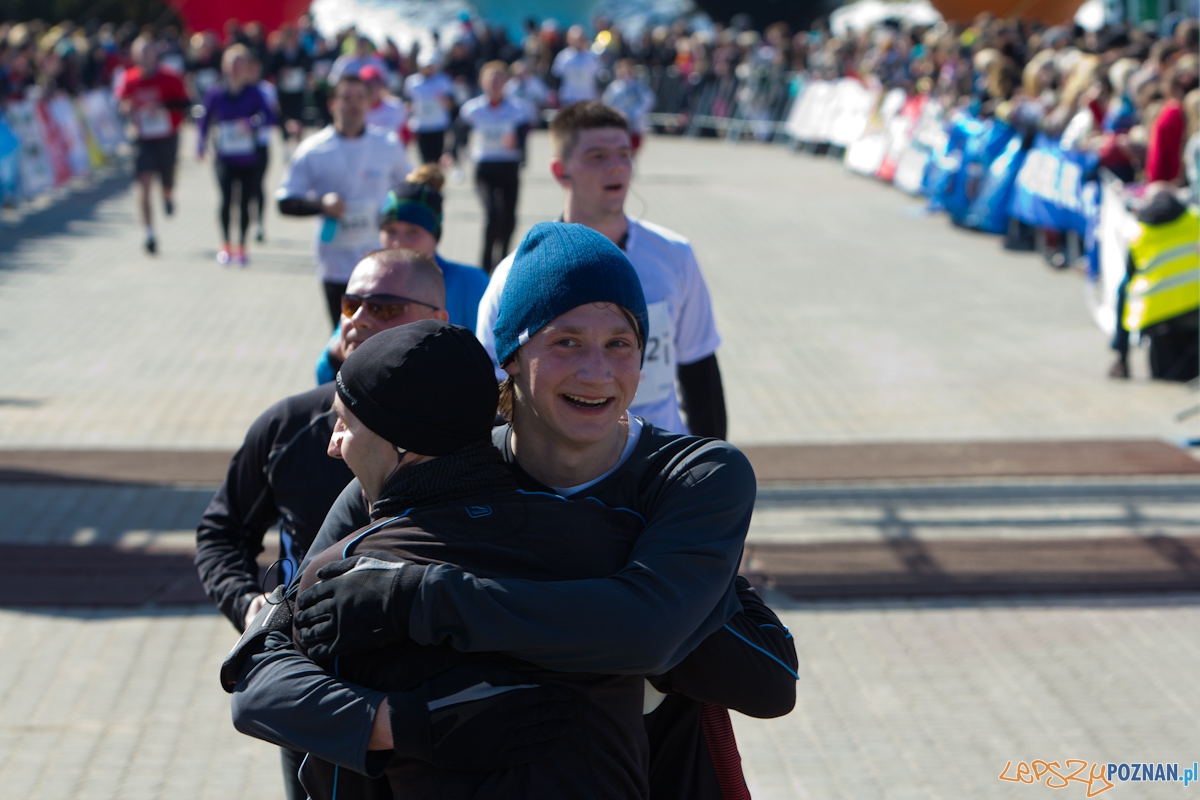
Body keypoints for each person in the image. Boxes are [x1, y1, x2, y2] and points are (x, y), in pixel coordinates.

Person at [229, 223, 798, 800]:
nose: (596, 371)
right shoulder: (430, 469)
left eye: (619, 343)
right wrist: (405, 724)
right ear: (511, 356)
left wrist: (420, 600)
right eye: (566, 342)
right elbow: (260, 669)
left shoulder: (692, 478)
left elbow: (661, 637)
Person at [287, 318, 652, 799]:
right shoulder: (615, 538)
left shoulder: (350, 582)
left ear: (404, 444)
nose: (334, 445)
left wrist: (401, 723)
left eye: (345, 424)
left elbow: (335, 778)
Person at [196, 248, 448, 800]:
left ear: (437, 321)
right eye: (350, 304)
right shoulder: (288, 426)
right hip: (316, 699)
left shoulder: (472, 436)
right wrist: (250, 605)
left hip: (429, 711)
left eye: (384, 307)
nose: (358, 320)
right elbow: (221, 533)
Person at [477, 101, 728, 439]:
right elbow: (492, 391)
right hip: (561, 463)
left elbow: (700, 373)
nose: (616, 167)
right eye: (597, 156)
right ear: (560, 171)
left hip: (659, 457)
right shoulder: (515, 274)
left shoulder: (674, 255)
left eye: (624, 154)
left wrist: (714, 459)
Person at [314, 165, 489, 384]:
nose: (398, 242)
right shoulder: (371, 282)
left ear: (435, 234)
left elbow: (492, 362)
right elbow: (323, 373)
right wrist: (345, 349)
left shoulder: (470, 283)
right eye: (390, 231)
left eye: (412, 232)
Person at [276, 73, 413, 327]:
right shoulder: (313, 149)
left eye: (360, 97)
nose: (353, 104)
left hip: (378, 259)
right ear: (332, 104)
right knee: (343, 333)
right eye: (346, 98)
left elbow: (409, 189)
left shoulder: (387, 145)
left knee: (380, 334)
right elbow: (285, 202)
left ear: (369, 103)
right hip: (335, 263)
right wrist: (320, 205)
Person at [197, 44, 275, 266]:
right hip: (224, 156)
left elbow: (269, 117)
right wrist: (200, 144)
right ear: (224, 66)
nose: (235, 69)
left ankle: (241, 246)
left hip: (249, 157)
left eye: (240, 64)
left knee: (245, 202)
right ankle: (225, 245)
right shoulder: (215, 92)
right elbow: (204, 119)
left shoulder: (254, 92)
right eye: (232, 64)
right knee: (226, 199)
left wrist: (251, 123)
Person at [113, 35, 190, 255]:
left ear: (155, 54)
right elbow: (121, 103)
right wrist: (125, 109)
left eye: (148, 52)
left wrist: (162, 107)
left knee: (167, 180)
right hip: (143, 138)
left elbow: (185, 103)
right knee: (143, 185)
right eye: (140, 53)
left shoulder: (170, 76)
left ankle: (167, 195)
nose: (144, 57)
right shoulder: (129, 78)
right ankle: (149, 233)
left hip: (167, 136)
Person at [459, 61, 532, 273]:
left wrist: (518, 145)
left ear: (506, 83)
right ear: (482, 83)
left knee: (509, 217)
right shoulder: (473, 108)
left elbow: (524, 135)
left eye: (499, 80)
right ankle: (485, 264)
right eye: (490, 81)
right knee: (492, 215)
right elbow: (460, 132)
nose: (494, 85)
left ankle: (504, 261)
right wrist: (454, 153)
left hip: (508, 165)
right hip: (485, 167)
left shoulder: (517, 108)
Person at [404, 49, 455, 165]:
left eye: (431, 65)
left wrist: (443, 100)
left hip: (439, 125)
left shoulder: (444, 80)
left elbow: (451, 105)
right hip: (421, 126)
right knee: (425, 161)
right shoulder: (412, 82)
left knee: (438, 160)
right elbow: (408, 103)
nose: (428, 69)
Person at [266, 24, 312, 149]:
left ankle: (299, 141)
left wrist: (307, 78)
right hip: (284, 91)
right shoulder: (279, 53)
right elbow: (271, 69)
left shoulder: (302, 52)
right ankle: (286, 141)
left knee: (299, 114)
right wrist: (281, 71)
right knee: (284, 115)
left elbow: (308, 67)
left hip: (298, 90)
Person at [602, 59, 656, 155]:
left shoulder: (638, 86)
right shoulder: (614, 87)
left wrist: (636, 112)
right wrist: (615, 113)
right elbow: (607, 102)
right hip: (618, 121)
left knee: (633, 147)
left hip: (635, 122)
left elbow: (648, 100)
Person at [551, 26, 602, 106]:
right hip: (569, 99)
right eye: (575, 39)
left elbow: (598, 76)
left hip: (588, 99)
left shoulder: (592, 56)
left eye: (581, 38)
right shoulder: (563, 57)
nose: (578, 42)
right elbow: (556, 77)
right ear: (569, 39)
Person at [360, 64, 407, 140]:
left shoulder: (396, 106)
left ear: (382, 85)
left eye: (376, 83)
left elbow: (406, 135)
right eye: (368, 84)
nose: (373, 88)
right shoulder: (356, 111)